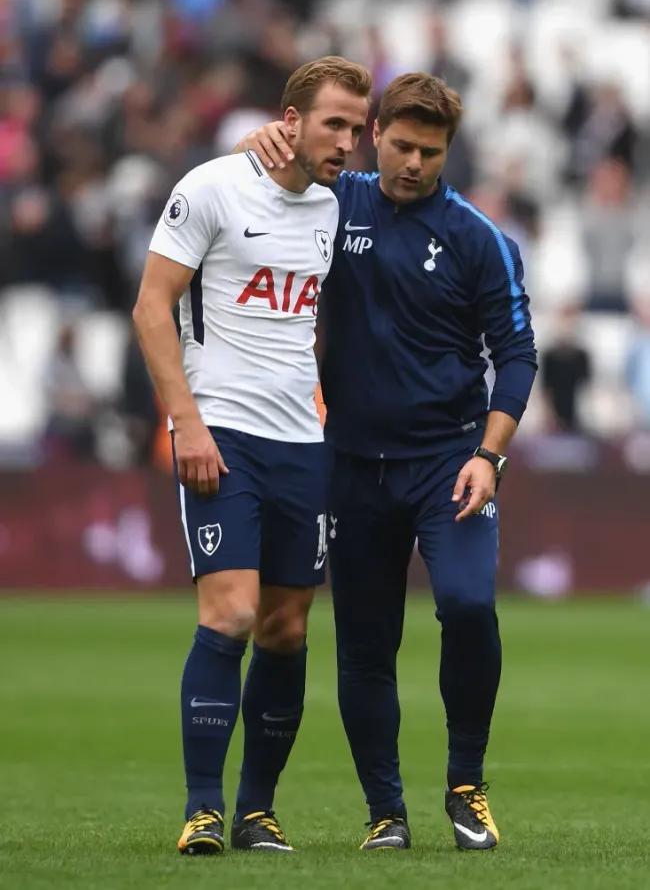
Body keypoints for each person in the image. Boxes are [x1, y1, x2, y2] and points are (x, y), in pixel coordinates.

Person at [239, 72, 537, 852]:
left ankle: (466, 786)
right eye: (401, 146)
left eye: (429, 153)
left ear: (448, 151)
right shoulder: (334, 203)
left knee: (467, 607)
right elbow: (253, 185)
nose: (412, 163)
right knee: (366, 645)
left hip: (449, 463)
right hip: (351, 466)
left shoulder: (479, 238)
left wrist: (490, 456)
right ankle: (386, 812)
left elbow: (516, 355)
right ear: (374, 135)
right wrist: (255, 142)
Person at [132, 56, 371, 856]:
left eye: (356, 128)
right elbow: (151, 308)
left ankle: (256, 812)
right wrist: (186, 424)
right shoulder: (210, 188)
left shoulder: (334, 207)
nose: (346, 141)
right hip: (221, 432)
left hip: (302, 442)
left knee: (286, 628)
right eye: (333, 123)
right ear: (290, 120)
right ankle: (202, 808)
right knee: (230, 613)